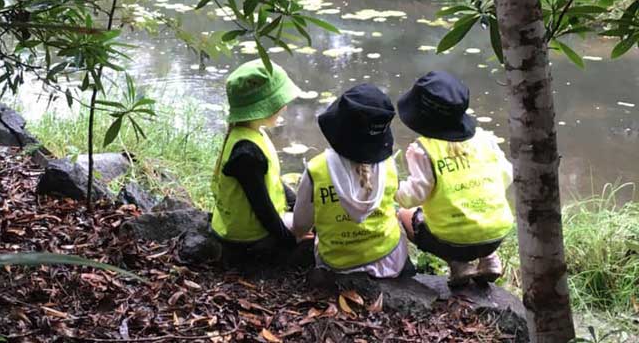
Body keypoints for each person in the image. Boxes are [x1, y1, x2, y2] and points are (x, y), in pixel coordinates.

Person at [395, 71, 514, 286]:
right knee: (479, 221)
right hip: (497, 232)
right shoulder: (485, 139)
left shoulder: (423, 151)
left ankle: (459, 265)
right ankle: (489, 259)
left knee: (405, 214)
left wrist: (394, 187)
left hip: (451, 241)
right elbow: (507, 175)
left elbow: (411, 197)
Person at [292, 84, 411, 277]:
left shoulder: (317, 169)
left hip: (337, 263)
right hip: (389, 259)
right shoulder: (388, 165)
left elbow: (300, 225)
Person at [210, 59, 302, 262]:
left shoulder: (247, 131)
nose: (284, 108)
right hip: (247, 238)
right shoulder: (246, 153)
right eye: (280, 103)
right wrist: (289, 240)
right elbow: (263, 209)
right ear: (264, 107)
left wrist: (296, 202)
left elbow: (273, 181)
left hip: (237, 225)